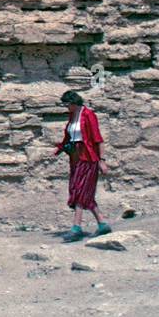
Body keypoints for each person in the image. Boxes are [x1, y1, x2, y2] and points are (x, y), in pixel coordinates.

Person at [55, 90, 111, 242]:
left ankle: (76, 227)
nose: (67, 107)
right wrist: (59, 149)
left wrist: (102, 160)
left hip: (88, 157)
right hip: (75, 157)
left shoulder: (88, 115)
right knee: (79, 190)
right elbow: (68, 137)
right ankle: (102, 223)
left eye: (68, 104)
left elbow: (98, 139)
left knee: (80, 190)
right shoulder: (73, 116)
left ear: (74, 102)